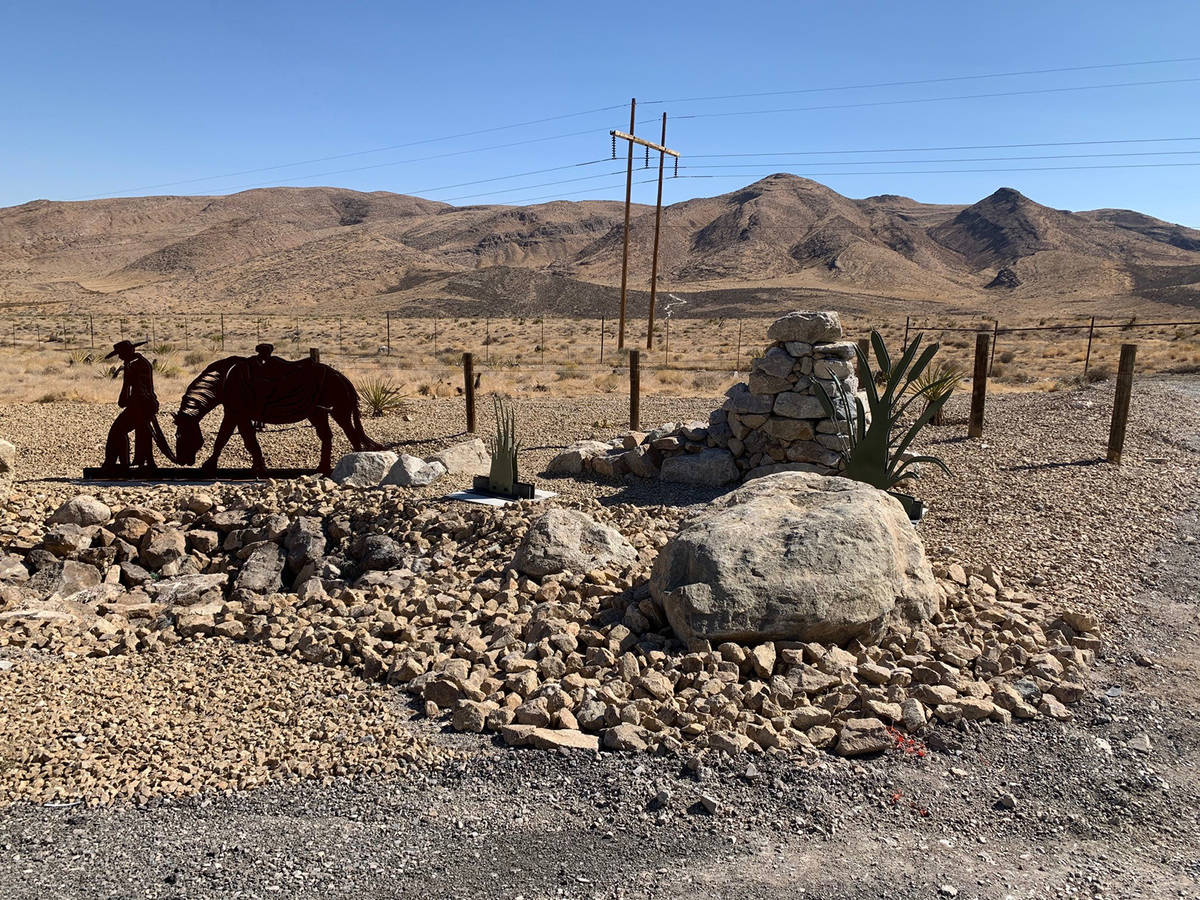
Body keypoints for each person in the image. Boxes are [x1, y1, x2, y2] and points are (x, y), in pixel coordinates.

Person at [101, 340, 159, 473]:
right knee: (141, 433)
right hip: (140, 404)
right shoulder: (137, 363)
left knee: (118, 430)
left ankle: (123, 464)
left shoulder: (135, 365)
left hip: (141, 405)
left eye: (121, 354)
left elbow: (131, 386)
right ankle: (138, 462)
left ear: (128, 352)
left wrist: (123, 401)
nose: (120, 357)